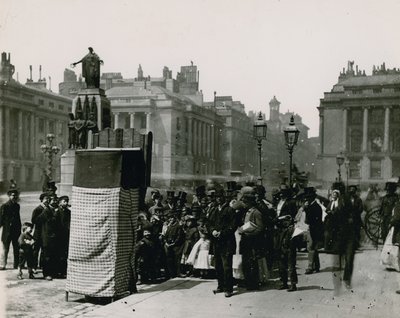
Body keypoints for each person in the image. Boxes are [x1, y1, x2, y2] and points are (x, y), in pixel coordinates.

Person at [209, 189, 236, 297]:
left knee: (227, 266)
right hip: (217, 242)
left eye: (220, 196)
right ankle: (221, 286)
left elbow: (233, 226)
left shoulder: (230, 210)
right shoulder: (214, 210)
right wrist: (212, 231)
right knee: (218, 266)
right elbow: (209, 223)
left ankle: (229, 288)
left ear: (224, 197)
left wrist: (222, 233)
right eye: (217, 197)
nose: (218, 198)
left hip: (227, 242)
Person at [238, 187, 265, 290]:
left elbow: (260, 228)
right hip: (246, 241)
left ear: (250, 203)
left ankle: (253, 283)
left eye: (245, 202)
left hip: (252, 241)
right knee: (246, 262)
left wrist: (248, 233)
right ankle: (248, 282)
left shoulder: (256, 212)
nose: (244, 204)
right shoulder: (247, 211)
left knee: (252, 263)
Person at [275, 186, 298, 291]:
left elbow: (293, 217)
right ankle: (283, 281)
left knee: (290, 258)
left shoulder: (291, 202)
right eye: (280, 192)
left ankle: (293, 283)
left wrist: (286, 220)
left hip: (288, 231)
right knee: (281, 258)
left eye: (283, 192)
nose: (280, 194)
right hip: (279, 231)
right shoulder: (278, 202)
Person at [35, 194, 60, 280]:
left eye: (56, 200)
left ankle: (53, 272)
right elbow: (38, 221)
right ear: (49, 201)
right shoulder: (47, 211)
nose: (55, 201)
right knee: (47, 256)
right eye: (53, 200)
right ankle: (46, 274)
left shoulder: (55, 210)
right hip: (47, 236)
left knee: (53, 255)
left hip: (54, 237)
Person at [303, 187, 323, 274]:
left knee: (310, 247)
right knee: (313, 248)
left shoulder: (316, 207)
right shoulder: (312, 206)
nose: (307, 199)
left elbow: (313, 220)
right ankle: (317, 266)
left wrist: (306, 209)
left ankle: (310, 267)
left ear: (312, 198)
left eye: (308, 197)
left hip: (314, 229)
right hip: (312, 228)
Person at [0, 189, 22, 270]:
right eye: (12, 195)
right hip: (7, 231)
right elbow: (1, 219)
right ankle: (3, 264)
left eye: (16, 195)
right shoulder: (4, 206)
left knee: (16, 248)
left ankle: (16, 265)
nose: (14, 197)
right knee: (5, 249)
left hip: (16, 231)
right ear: (9, 196)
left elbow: (18, 218)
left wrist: (20, 229)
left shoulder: (17, 206)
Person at [31, 193, 50, 271]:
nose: (47, 200)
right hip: (38, 232)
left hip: (45, 233)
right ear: (41, 200)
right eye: (46, 199)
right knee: (36, 250)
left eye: (48, 199)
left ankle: (42, 266)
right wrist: (43, 213)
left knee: (44, 250)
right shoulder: (38, 209)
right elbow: (34, 221)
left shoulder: (49, 209)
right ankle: (33, 266)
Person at [163, 211, 184, 278]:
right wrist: (166, 242)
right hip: (169, 245)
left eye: (172, 218)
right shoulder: (169, 227)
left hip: (176, 245)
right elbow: (165, 236)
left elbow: (179, 236)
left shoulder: (178, 226)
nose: (170, 220)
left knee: (177, 259)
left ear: (174, 218)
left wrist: (173, 243)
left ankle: (178, 273)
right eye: (169, 218)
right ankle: (171, 274)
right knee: (169, 260)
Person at [56, 196, 71, 278]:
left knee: (65, 254)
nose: (66, 203)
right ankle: (58, 271)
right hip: (59, 235)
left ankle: (63, 271)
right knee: (58, 254)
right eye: (64, 201)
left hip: (66, 235)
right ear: (60, 202)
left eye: (67, 201)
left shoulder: (68, 212)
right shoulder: (57, 212)